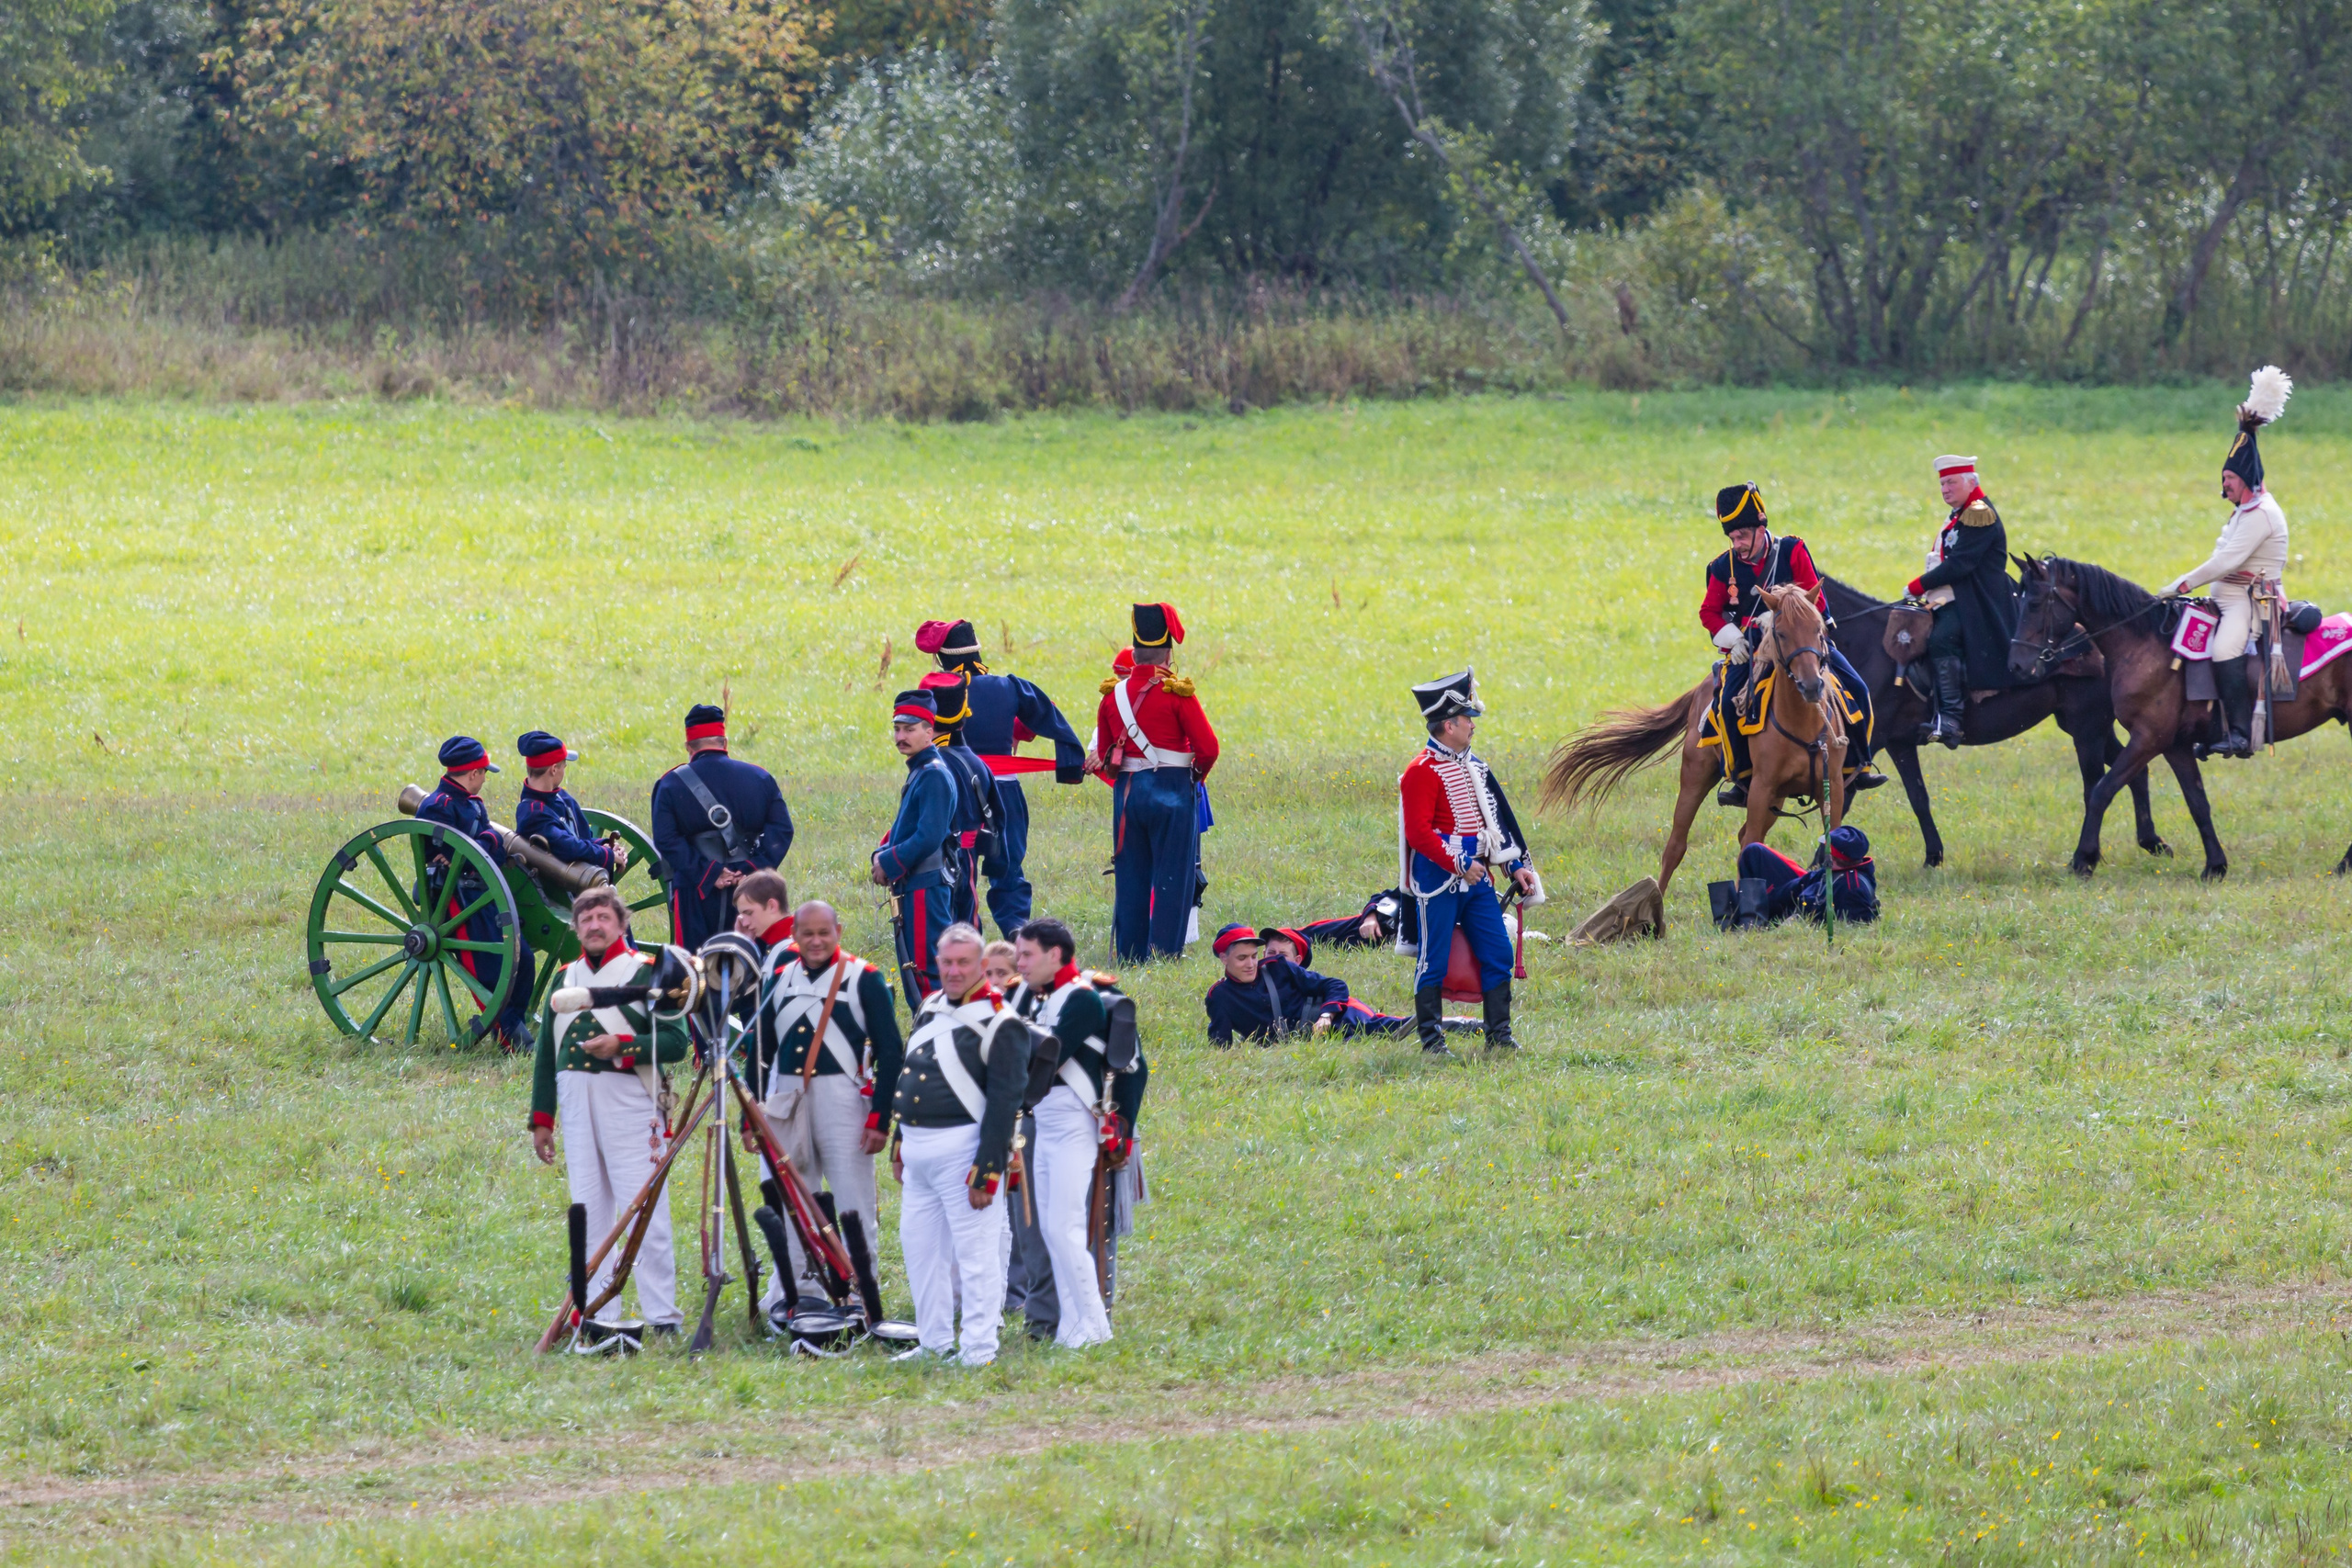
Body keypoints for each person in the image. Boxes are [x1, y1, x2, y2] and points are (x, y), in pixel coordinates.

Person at [528, 886, 689, 1344]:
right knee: (589, 1211)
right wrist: (542, 1118)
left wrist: (622, 1047)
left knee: (645, 1212)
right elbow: (546, 1053)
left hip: (630, 1099)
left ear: (621, 924)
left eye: (603, 917)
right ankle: (597, 1310)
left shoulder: (645, 972)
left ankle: (662, 1315)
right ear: (576, 928)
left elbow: (678, 1044)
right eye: (586, 919)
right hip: (577, 1103)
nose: (595, 926)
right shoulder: (565, 978)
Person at [746, 897, 904, 1317]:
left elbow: (891, 1051)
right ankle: (797, 1290)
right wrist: (753, 1114)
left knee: (853, 1201)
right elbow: (759, 1049)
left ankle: (860, 1293)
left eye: (824, 932)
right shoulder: (778, 976)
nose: (816, 941)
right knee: (792, 1197)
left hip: (842, 1096)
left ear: (839, 932)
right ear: (794, 935)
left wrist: (879, 1118)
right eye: (808, 933)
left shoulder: (864, 978)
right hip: (786, 1095)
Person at [889, 924, 1035, 1367]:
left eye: (963, 963)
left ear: (979, 965)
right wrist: (898, 1140)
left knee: (976, 1257)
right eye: (946, 962)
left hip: (963, 1151)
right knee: (921, 1253)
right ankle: (933, 1342)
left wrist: (987, 1169)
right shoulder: (931, 1006)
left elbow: (1005, 1102)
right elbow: (913, 1071)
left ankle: (978, 1348)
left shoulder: (1002, 1022)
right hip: (918, 1149)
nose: (953, 971)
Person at [1006, 917, 1144, 1349]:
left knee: (1065, 1228)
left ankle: (1096, 1329)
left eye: (1027, 955)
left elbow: (1048, 1055)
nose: (1019, 963)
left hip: (1073, 1118)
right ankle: (1071, 1328)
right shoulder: (1030, 995)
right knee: (1050, 1228)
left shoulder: (1083, 998)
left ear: (1055, 954)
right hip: (1044, 1118)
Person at [1701, 484, 1883, 805]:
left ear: (1761, 526)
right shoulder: (1721, 568)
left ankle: (1859, 763)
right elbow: (1710, 612)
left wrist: (1811, 628)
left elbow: (1816, 595)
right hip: (1753, 648)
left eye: (1742, 535)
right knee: (1727, 703)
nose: (1737, 544)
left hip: (1801, 641)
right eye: (1732, 538)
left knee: (1859, 689)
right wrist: (1734, 639)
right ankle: (1741, 775)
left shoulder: (1792, 550)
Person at [919, 617, 1090, 936]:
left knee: (954, 865)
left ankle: (961, 934)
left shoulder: (935, 689)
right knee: (1009, 868)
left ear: (942, 658)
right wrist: (1070, 764)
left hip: (953, 790)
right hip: (1005, 789)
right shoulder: (1009, 686)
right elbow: (1045, 717)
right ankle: (1015, 931)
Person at [1399, 672, 1536, 1057]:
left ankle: (1500, 1036)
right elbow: (1419, 835)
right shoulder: (1420, 772)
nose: (1473, 725)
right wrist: (1459, 864)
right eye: (1466, 719)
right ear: (1448, 725)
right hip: (1438, 880)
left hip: (1476, 880)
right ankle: (1431, 1042)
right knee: (1433, 959)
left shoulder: (1475, 766)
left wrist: (1513, 867)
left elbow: (1494, 826)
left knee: (1498, 953)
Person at [2165, 367, 2294, 760]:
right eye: (2223, 477)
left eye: (2230, 478)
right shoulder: (2246, 506)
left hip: (2248, 600)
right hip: (2229, 593)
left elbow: (2227, 560)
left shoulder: (2260, 514)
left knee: (2223, 649)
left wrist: (2183, 585)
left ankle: (2240, 733)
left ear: (2246, 479)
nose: (2224, 485)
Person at [1090, 603, 1219, 962]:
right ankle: (1165, 954)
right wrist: (1194, 776)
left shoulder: (1111, 696)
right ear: (1167, 651)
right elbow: (1208, 748)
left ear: (1134, 650)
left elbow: (1102, 751)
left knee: (1130, 872)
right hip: (1173, 789)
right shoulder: (1177, 694)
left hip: (1128, 794)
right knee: (1174, 875)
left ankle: (1131, 955)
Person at [414, 735, 535, 1050]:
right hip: (451, 898)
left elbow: (483, 849)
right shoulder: (437, 807)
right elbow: (451, 855)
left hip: (482, 891)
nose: (484, 779)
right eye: (483, 773)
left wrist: (481, 846)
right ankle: (507, 1030)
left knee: (524, 957)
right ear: (472, 774)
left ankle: (512, 1023)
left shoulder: (472, 803)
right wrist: (481, 845)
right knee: (488, 966)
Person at [650, 704, 794, 951]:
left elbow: (666, 840)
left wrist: (708, 873)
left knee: (695, 966)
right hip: (750, 891)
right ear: (724, 742)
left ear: (689, 747)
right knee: (750, 961)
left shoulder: (670, 783)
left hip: (695, 889)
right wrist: (750, 870)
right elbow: (781, 830)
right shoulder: (760, 777)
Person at [1904, 458, 2019, 749]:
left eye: (1951, 482)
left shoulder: (1979, 513)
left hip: (1979, 599)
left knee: (1943, 638)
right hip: (1958, 594)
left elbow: (1960, 564)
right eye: (1942, 483)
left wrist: (1918, 585)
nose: (1945, 489)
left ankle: (1951, 718)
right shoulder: (1961, 513)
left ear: (1971, 482)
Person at [873, 690, 958, 1009]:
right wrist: (880, 854)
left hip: (926, 887)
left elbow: (928, 836)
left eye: (910, 729)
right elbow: (903, 827)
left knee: (927, 971)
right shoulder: (921, 771)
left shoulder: (933, 774)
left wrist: (889, 863)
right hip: (915, 886)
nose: (900, 736)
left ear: (930, 730)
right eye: (897, 728)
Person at [917, 671, 1005, 931]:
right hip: (965, 858)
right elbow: (998, 816)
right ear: (963, 717)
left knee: (948, 929)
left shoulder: (932, 766)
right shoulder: (975, 762)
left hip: (939, 858)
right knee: (965, 922)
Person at [512, 731, 624, 878]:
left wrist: (605, 846)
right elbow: (568, 847)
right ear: (554, 769)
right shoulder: (532, 813)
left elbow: (581, 839)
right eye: (564, 765)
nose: (565, 769)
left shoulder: (563, 798)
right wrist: (607, 855)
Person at [1732, 824, 1881, 925]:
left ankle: (1747, 919)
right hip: (1797, 890)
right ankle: (1745, 910)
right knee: (1754, 851)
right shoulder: (1835, 869)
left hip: (1794, 907)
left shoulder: (1852, 887)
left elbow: (1858, 923)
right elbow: (1806, 882)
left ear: (1833, 856)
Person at [1299, 890, 1418, 955]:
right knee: (1301, 936)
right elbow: (1384, 897)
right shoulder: (1422, 882)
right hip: (1368, 927)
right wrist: (1371, 917)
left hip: (1392, 945)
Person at [735, 869, 795, 954]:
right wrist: (745, 943)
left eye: (749, 913)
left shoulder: (794, 946)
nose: (744, 924)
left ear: (772, 906)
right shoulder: (774, 941)